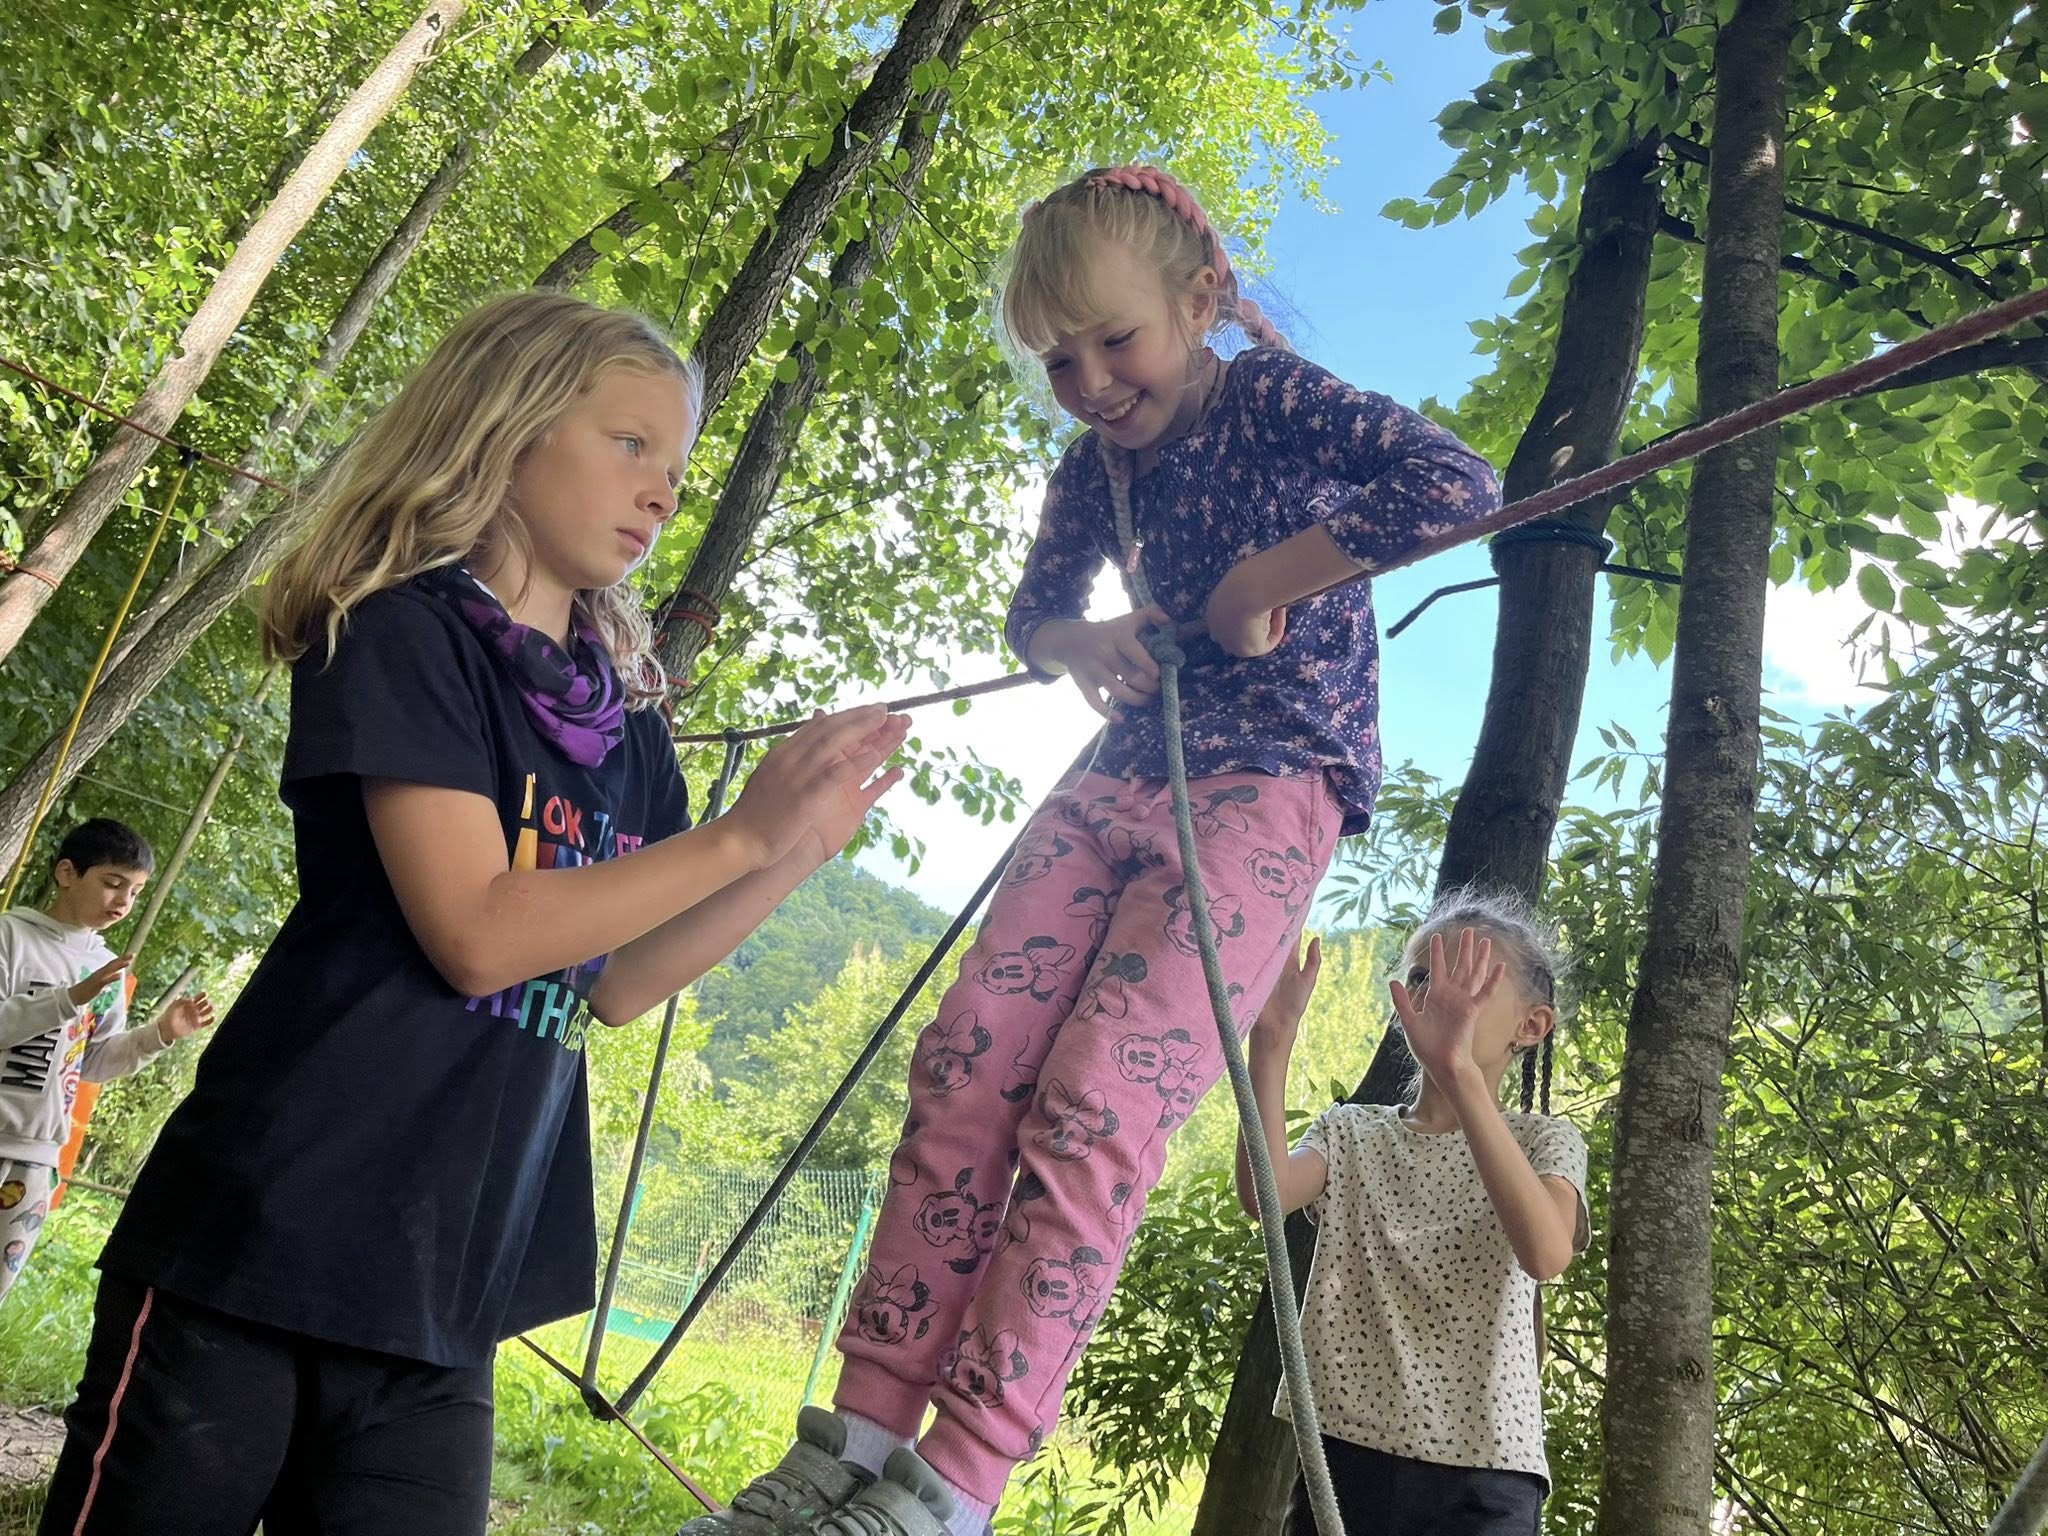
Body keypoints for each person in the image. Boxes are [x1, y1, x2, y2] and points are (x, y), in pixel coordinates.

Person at [689, 164, 1502, 1536]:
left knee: (1093, 1103)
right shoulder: (1095, 470)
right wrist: (1081, 640)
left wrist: (1266, 581)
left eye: (1113, 340)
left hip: (1270, 780)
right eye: (1058, 360)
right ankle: (860, 1437)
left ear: (1202, 299)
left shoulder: (1271, 396)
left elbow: (1458, 481)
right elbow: (1037, 614)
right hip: (1123, 770)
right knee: (968, 1063)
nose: (1089, 382)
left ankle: (951, 1486)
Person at [36, 290, 908, 1536]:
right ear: (508, 426)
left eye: (676, 467)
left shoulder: (627, 736)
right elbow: (481, 934)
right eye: (630, 444)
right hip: (261, 1243)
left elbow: (617, 981)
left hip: (447, 1286)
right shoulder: (404, 632)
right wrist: (742, 835)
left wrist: (795, 850)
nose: (663, 493)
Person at [1242, 892, 1590, 1536]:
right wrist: (1271, 1040)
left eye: (1471, 982)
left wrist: (1458, 1072)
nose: (1440, 996)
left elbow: (1546, 1253)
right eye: (1424, 976)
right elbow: (1265, 1195)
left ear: (1531, 1025)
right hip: (1347, 1453)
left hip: (1486, 1475)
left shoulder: (1545, 1141)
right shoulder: (1352, 1132)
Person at [0, 818, 212, 1307]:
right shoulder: (12, 936)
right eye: (113, 883)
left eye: (135, 892)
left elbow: (92, 1063)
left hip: (35, 1159)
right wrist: (68, 999)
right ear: (67, 873)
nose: (123, 901)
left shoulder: (106, 968)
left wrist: (159, 1035)